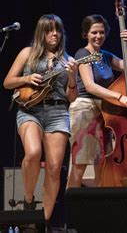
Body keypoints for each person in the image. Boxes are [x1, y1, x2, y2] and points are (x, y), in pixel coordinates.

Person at [3, 14, 78, 224]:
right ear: (41, 33)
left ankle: (43, 220)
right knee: (33, 153)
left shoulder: (68, 60)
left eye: (58, 30)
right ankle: (28, 199)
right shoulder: (28, 53)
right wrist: (27, 78)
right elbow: (8, 82)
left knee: (54, 168)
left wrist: (72, 77)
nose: (54, 33)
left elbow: (71, 97)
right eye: (49, 30)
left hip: (58, 113)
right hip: (30, 110)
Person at [66, 14, 127, 189]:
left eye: (101, 32)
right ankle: (70, 209)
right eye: (94, 32)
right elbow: (90, 86)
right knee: (80, 164)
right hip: (85, 108)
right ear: (86, 34)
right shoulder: (82, 54)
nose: (98, 36)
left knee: (103, 165)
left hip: (105, 111)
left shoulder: (105, 55)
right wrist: (120, 97)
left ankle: (100, 209)